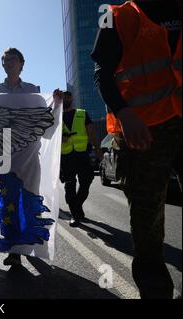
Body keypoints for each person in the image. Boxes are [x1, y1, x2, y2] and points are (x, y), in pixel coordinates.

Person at [91, 0, 181, 298]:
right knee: (147, 218)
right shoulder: (114, 16)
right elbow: (101, 73)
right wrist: (124, 114)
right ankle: (156, 291)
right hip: (146, 130)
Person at [0, 48, 45, 267]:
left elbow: (44, 119)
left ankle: (29, 243)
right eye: (5, 59)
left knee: (29, 200)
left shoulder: (32, 91)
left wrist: (57, 104)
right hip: (4, 155)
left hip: (29, 154)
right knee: (9, 202)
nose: (8, 62)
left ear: (22, 63)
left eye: (13, 59)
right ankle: (15, 250)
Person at [59, 91, 102, 227]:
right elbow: (50, 136)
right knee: (70, 186)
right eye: (63, 97)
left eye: (68, 96)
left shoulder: (82, 113)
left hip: (83, 154)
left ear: (71, 98)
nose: (66, 98)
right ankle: (75, 216)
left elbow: (91, 132)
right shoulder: (56, 117)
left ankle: (76, 206)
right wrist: (61, 137)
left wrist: (97, 149)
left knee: (86, 182)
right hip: (66, 156)